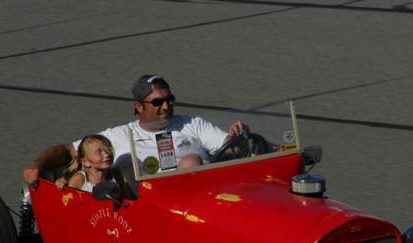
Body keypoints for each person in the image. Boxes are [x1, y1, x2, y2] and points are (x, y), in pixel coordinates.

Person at [24, 74, 247, 195]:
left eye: (170, 100)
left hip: (215, 196)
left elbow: (229, 146)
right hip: (160, 211)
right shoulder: (120, 136)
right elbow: (68, 150)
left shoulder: (192, 124)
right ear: (139, 107)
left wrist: (240, 138)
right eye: (158, 102)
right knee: (191, 161)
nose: (167, 106)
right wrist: (38, 164)